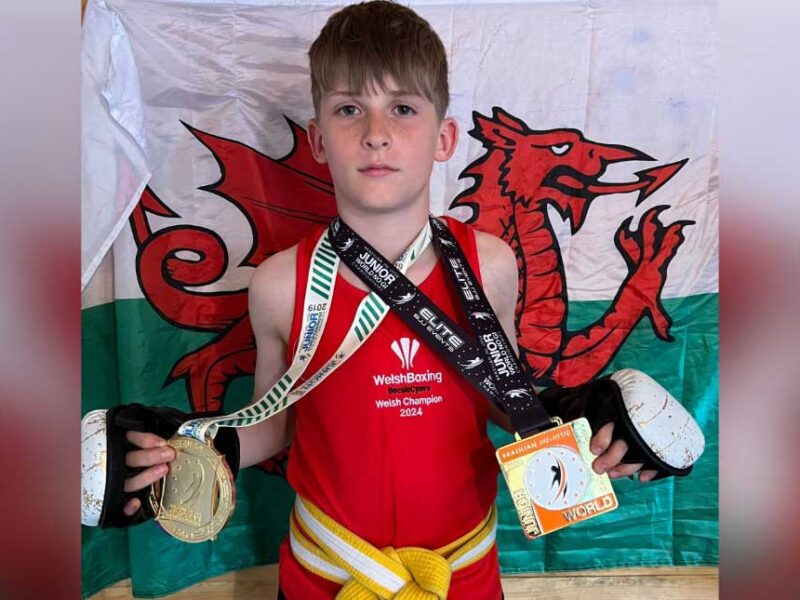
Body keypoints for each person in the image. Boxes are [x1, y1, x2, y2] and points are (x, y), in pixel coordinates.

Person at [119, 2, 655, 598]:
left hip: (462, 574)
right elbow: (271, 430)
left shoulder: (491, 266)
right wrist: (179, 449)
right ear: (319, 141)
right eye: (350, 109)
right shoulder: (281, 283)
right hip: (326, 573)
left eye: (402, 108)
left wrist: (585, 420)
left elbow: (503, 403)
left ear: (444, 137)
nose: (376, 133)